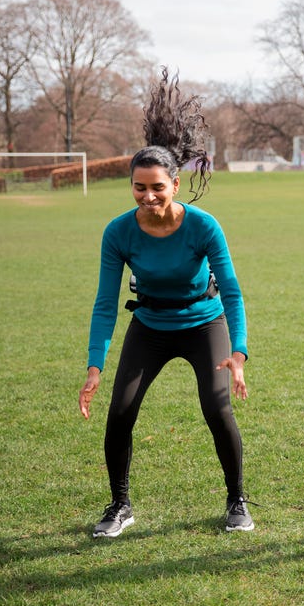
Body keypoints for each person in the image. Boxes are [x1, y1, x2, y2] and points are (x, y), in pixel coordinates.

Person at [79, 68, 254, 537]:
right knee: (120, 412)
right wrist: (96, 364)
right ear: (131, 186)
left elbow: (232, 289)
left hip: (204, 323)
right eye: (140, 187)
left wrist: (237, 351)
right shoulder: (118, 232)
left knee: (217, 409)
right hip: (151, 325)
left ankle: (237, 501)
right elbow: (104, 303)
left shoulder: (203, 226)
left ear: (176, 183)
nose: (149, 195)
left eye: (158, 187)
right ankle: (120, 505)